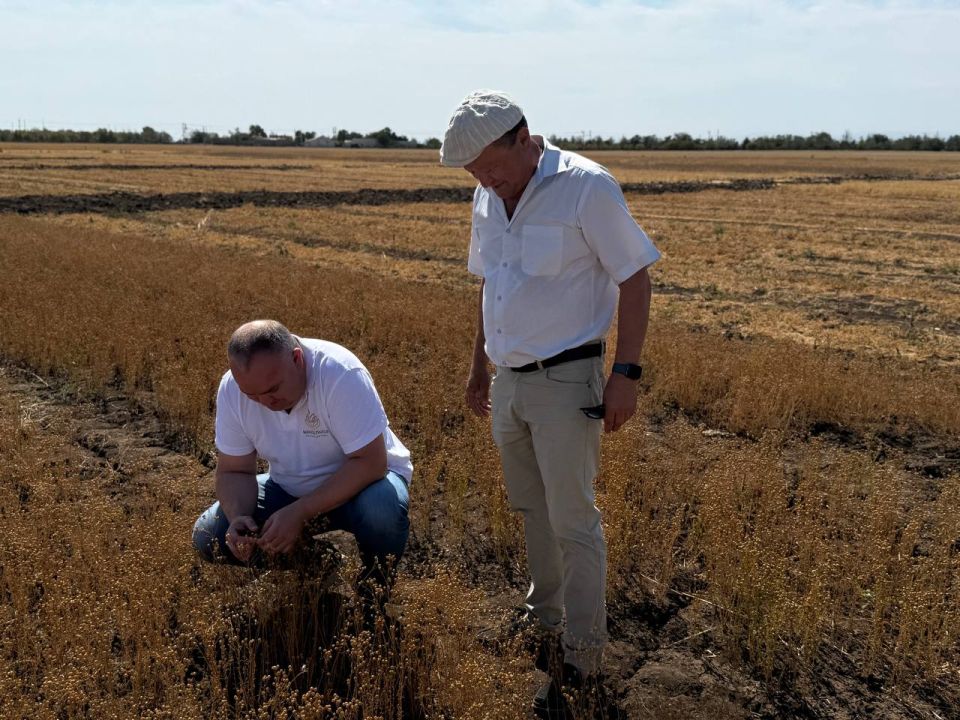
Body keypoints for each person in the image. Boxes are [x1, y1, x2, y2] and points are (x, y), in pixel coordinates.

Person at [440, 90, 659, 717]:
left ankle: (585, 650)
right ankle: (544, 617)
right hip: (508, 381)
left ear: (523, 137)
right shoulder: (487, 196)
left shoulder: (586, 187)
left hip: (568, 378)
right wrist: (479, 367)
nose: (485, 181)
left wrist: (626, 374)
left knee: (573, 518)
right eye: (474, 174)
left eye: (491, 167)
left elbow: (635, 276)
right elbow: (492, 282)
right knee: (531, 508)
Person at [192, 320, 412, 605]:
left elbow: (371, 463)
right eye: (252, 395)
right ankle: (317, 563)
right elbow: (234, 470)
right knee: (208, 534)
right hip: (289, 487)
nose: (263, 402)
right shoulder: (233, 390)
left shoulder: (339, 373)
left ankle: (374, 591)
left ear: (296, 358)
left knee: (382, 508)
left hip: (363, 486)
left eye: (272, 389)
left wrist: (300, 512)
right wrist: (239, 518)